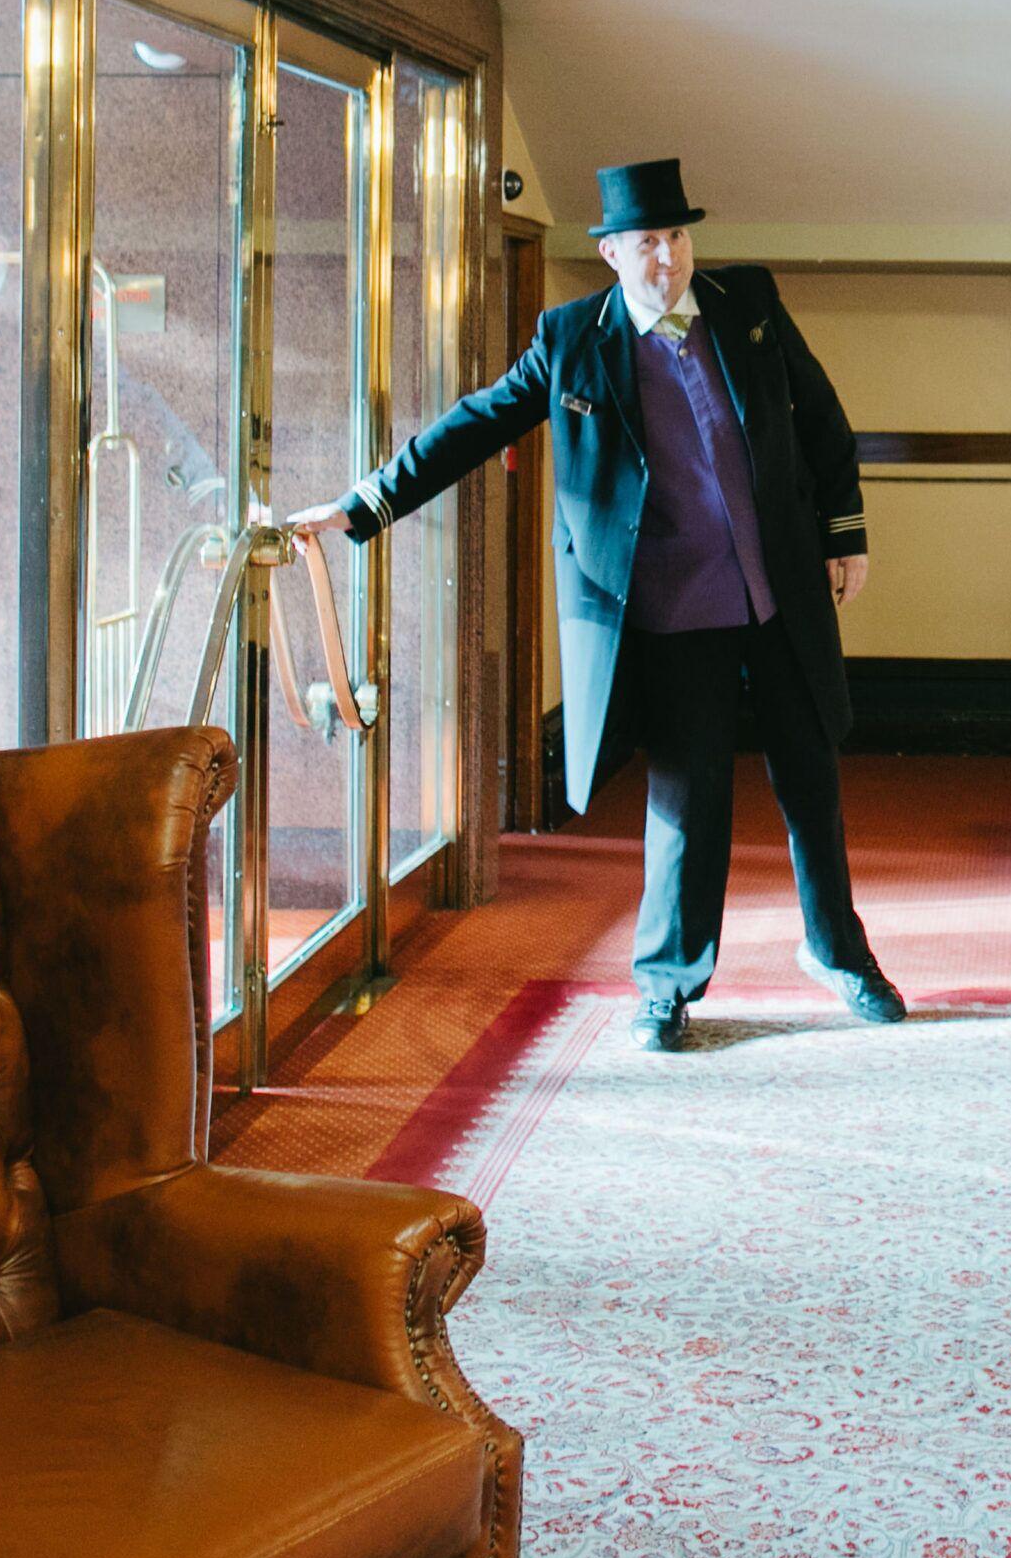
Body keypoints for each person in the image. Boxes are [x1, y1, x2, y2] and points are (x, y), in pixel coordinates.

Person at [336, 157, 906, 1051]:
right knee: (686, 797)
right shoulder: (571, 340)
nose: (668, 257)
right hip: (675, 606)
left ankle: (840, 954)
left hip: (778, 589)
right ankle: (668, 985)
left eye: (678, 237)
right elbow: (475, 423)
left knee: (811, 774)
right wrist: (366, 504)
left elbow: (822, 417)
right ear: (610, 253)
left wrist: (844, 532)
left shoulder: (748, 304)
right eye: (648, 242)